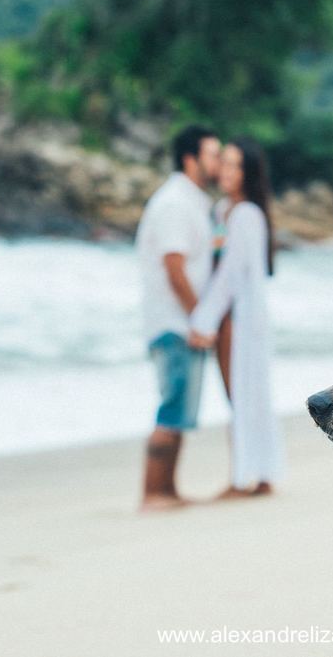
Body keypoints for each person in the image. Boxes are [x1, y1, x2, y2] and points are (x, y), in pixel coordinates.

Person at [189, 137, 282, 497]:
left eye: (236, 165)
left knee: (247, 395)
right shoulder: (222, 210)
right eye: (224, 163)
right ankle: (252, 474)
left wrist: (202, 320)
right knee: (239, 395)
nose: (227, 172)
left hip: (243, 317)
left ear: (249, 173)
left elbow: (231, 274)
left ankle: (248, 478)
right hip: (229, 314)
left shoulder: (246, 214)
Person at [134, 125, 222, 512]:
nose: (218, 162)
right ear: (191, 159)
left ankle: (167, 490)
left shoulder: (189, 201)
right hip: (174, 324)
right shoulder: (174, 203)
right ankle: (154, 493)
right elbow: (174, 265)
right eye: (213, 155)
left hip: (178, 323)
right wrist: (199, 318)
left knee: (180, 409)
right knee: (172, 407)